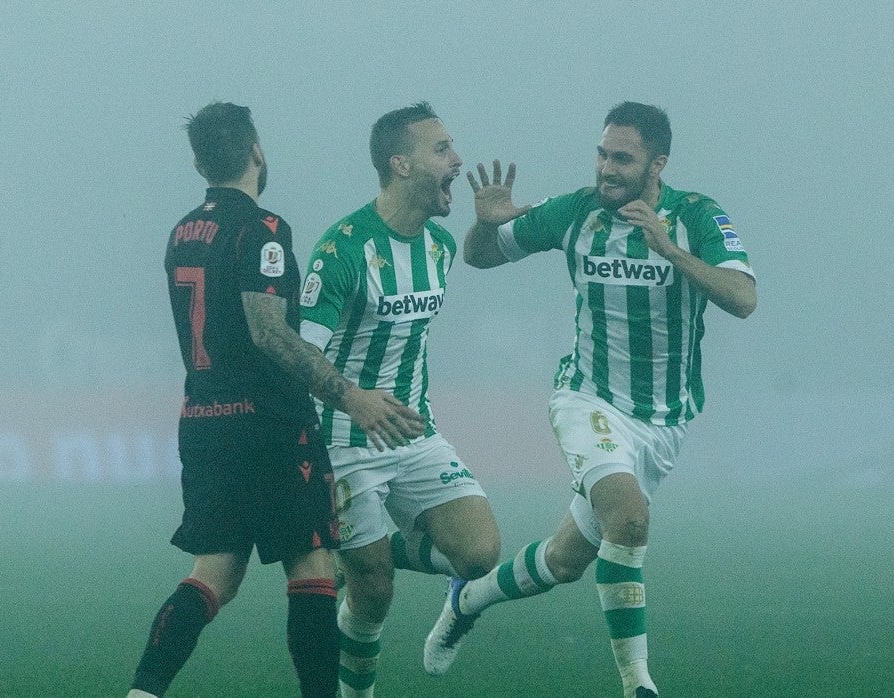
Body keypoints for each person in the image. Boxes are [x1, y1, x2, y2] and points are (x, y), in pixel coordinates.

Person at [423, 101, 757, 698]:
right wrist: (484, 223)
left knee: (564, 560)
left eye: (621, 158)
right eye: (602, 153)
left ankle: (469, 598)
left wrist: (671, 250)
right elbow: (479, 255)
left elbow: (742, 297)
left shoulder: (696, 216)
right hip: (587, 399)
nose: (606, 167)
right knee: (627, 517)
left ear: (658, 164)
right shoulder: (576, 212)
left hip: (661, 422)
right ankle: (639, 686)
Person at [128, 102, 424, 698]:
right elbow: (268, 333)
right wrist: (349, 396)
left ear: (197, 162)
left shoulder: (183, 230)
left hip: (203, 420)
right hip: (268, 423)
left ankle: (141, 692)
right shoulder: (261, 228)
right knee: (312, 568)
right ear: (257, 150)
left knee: (212, 574)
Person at [298, 101, 506, 698]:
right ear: (401, 164)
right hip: (344, 441)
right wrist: (353, 399)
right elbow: (301, 355)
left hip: (414, 434)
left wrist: (489, 225)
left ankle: (366, 554)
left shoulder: (439, 247)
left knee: (479, 553)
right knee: (375, 594)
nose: (457, 161)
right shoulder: (343, 249)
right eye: (442, 150)